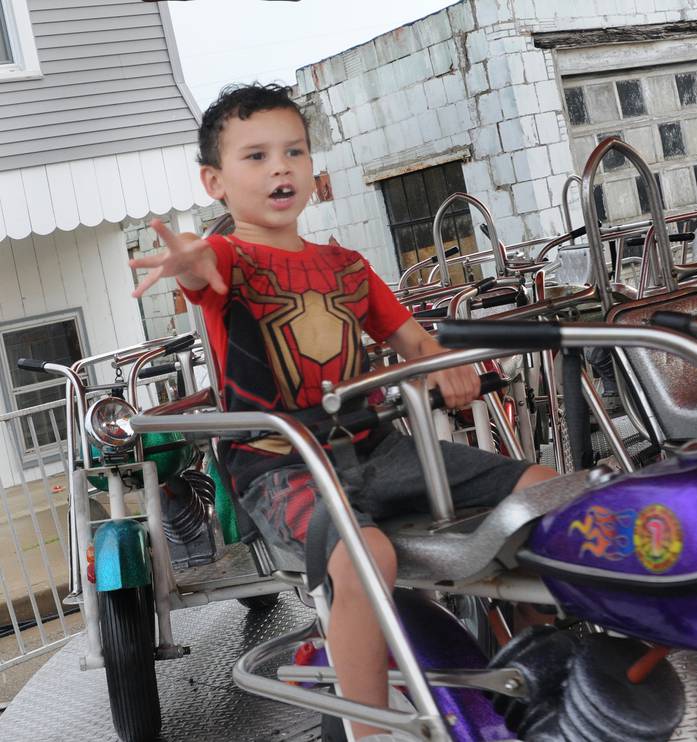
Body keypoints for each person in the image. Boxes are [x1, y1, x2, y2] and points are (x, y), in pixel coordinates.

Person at [130, 82, 557, 740]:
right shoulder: (227, 261)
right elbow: (198, 266)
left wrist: (449, 363)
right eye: (256, 156)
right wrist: (187, 258)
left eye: (294, 151)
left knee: (541, 490)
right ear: (214, 180)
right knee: (368, 557)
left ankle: (540, 663)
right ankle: (370, 730)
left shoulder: (348, 266)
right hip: (282, 466)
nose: (280, 167)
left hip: (376, 450)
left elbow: (413, 339)